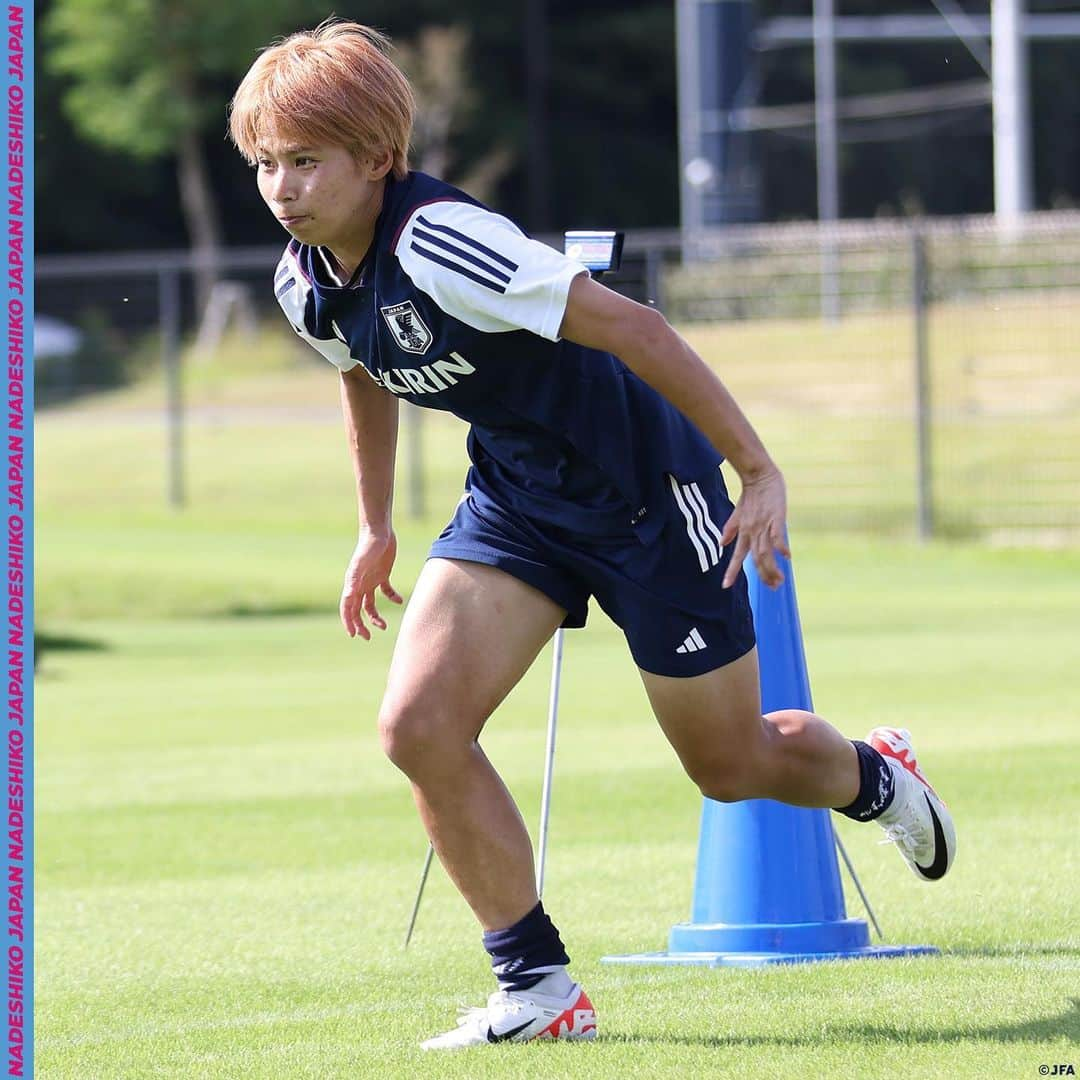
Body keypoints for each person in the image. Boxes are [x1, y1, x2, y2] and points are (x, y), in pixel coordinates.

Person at [229, 20, 956, 1051]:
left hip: (649, 494)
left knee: (731, 763)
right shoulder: (303, 283)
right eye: (264, 162)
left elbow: (635, 328)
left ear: (378, 158)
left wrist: (755, 468)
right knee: (417, 726)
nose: (282, 187)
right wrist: (375, 523)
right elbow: (361, 368)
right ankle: (537, 988)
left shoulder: (443, 242)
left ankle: (875, 774)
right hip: (519, 499)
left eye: (306, 160)